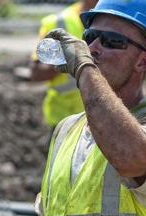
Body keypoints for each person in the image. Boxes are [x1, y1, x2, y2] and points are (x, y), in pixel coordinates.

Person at [35, 0, 146, 216]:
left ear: (144, 60)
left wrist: (84, 68)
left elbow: (130, 158)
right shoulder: (66, 130)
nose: (92, 49)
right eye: (89, 37)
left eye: (112, 41)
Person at [30, 0, 97, 130]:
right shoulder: (58, 22)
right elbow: (36, 72)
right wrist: (67, 58)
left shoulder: (116, 22)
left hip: (102, 121)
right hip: (63, 123)